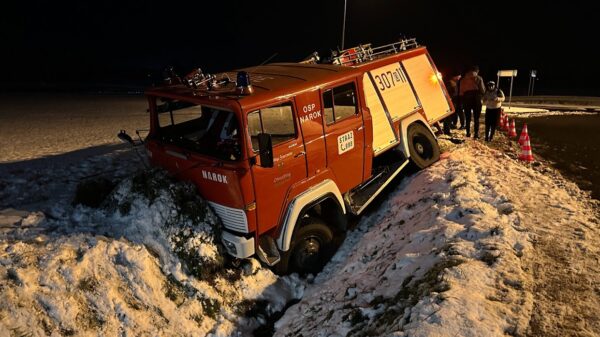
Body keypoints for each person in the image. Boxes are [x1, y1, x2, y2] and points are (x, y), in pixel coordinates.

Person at [459, 65, 486, 138]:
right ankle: (476, 134)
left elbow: (461, 92)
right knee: (476, 118)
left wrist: (463, 100)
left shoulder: (463, 79)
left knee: (468, 118)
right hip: (476, 98)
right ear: (476, 71)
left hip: (466, 99)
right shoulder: (478, 78)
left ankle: (468, 133)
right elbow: (483, 90)